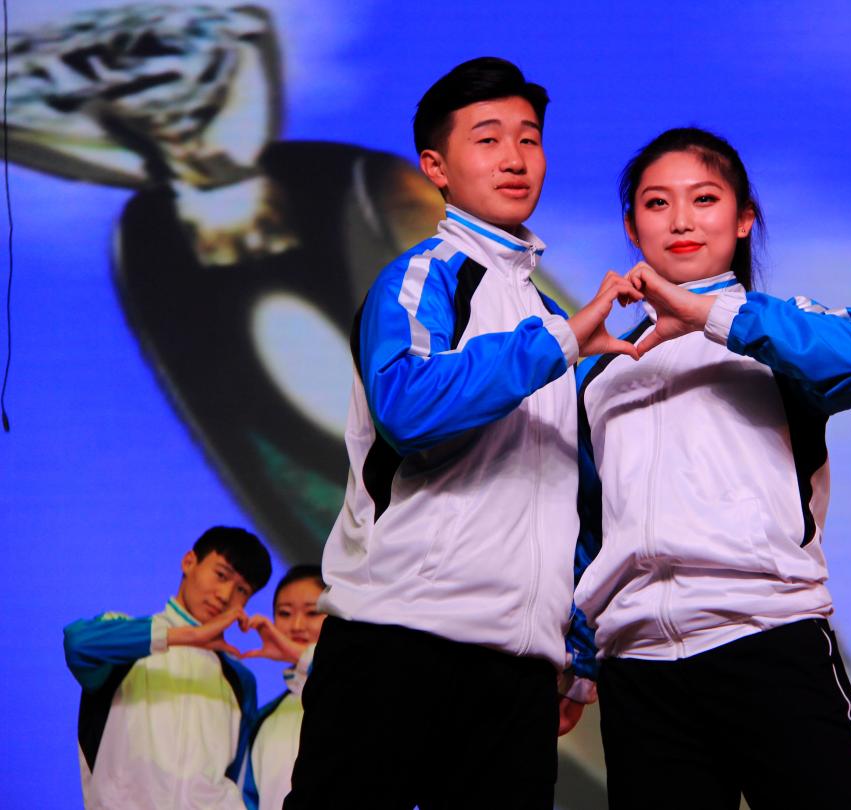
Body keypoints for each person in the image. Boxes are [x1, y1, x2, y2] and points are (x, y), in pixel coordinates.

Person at [284, 57, 638, 810]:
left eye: (529, 139)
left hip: (518, 669)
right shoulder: (425, 279)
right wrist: (558, 346)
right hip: (396, 640)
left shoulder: (551, 319)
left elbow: (571, 497)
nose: (515, 158)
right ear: (435, 167)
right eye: (488, 138)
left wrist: (575, 655)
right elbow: (407, 407)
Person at [567, 127, 851, 810]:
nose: (681, 220)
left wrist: (706, 313)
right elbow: (591, 527)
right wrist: (580, 661)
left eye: (705, 199)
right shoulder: (601, 374)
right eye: (657, 203)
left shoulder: (776, 335)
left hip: (767, 638)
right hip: (640, 672)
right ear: (632, 228)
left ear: (744, 220)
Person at [63, 525, 272, 809]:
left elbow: (237, 779)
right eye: (221, 575)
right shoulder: (121, 636)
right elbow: (77, 644)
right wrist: (188, 636)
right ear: (189, 562)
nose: (225, 595)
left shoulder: (239, 679)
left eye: (242, 590)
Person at [241, 565, 326, 810]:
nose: (297, 625)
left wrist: (299, 654)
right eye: (285, 613)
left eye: (312, 612)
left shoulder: (361, 694)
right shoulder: (264, 719)